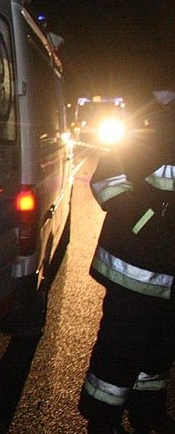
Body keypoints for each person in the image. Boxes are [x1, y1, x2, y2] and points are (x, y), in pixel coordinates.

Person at [77, 87, 175, 434]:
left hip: (168, 278)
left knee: (160, 352)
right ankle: (102, 418)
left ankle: (147, 411)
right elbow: (108, 179)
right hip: (134, 271)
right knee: (120, 349)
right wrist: (149, 228)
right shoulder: (155, 132)